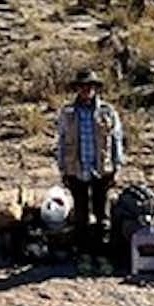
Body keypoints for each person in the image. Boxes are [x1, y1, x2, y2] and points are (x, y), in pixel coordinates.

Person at [54, 70, 125, 259]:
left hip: (102, 169)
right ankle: (83, 252)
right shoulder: (67, 113)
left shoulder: (107, 112)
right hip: (76, 169)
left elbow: (116, 139)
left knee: (103, 213)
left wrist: (117, 166)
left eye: (90, 86)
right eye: (83, 86)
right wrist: (62, 168)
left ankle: (102, 252)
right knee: (81, 214)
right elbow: (61, 141)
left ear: (95, 88)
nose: (86, 90)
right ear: (77, 89)